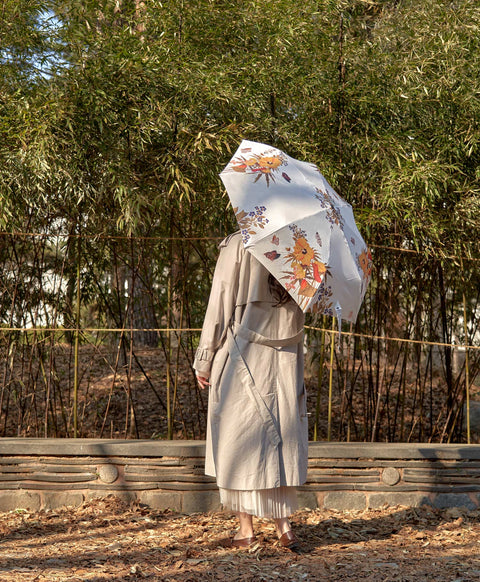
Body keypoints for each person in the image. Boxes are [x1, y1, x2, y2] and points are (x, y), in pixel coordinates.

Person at [193, 231, 308, 548]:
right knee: (280, 439)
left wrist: (204, 358)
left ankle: (246, 531)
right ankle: (284, 528)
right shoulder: (301, 246)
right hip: (286, 357)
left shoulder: (239, 244)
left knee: (240, 438)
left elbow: (220, 301)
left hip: (243, 353)